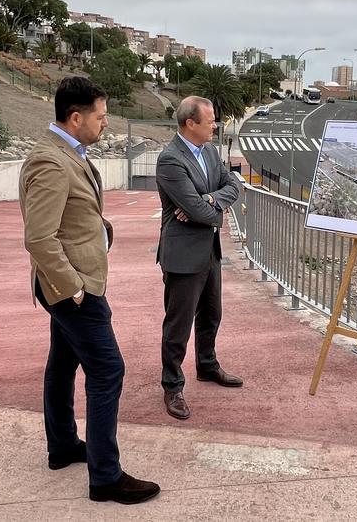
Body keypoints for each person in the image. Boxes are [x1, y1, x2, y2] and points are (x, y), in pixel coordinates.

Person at [19, 76, 159, 505]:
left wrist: (101, 229)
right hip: (72, 289)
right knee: (107, 371)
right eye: (100, 117)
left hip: (75, 282)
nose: (106, 123)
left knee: (62, 365)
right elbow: (39, 237)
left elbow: (72, 217)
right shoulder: (51, 162)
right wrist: (75, 289)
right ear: (75, 117)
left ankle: (62, 447)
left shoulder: (69, 154)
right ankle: (105, 477)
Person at [156, 96, 242, 421]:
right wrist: (209, 208)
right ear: (190, 123)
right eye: (210, 120)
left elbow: (232, 185)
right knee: (178, 325)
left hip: (209, 250)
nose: (215, 125)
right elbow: (196, 210)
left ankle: (207, 366)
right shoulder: (170, 160)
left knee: (211, 315)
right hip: (182, 255)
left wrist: (209, 199)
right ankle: (172, 385)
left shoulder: (208, 150)